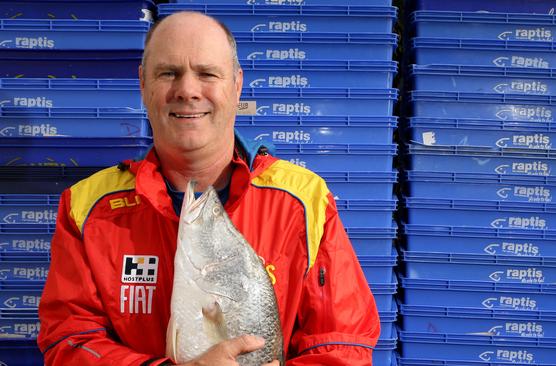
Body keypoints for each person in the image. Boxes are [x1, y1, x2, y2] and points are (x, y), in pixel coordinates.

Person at [37, 11, 380, 366]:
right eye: (168, 73)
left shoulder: (303, 200)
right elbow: (69, 341)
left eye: (206, 74)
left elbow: (342, 347)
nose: (187, 90)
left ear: (236, 85)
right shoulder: (88, 206)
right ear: (143, 84)